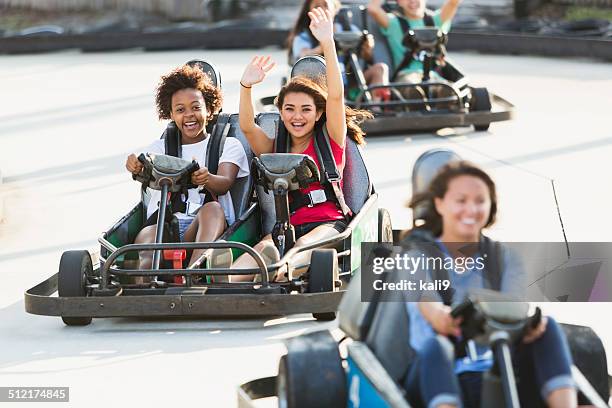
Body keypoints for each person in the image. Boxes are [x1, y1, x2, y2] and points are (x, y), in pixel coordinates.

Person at [400, 161, 577, 408]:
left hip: (498, 370)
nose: (471, 209)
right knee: (436, 346)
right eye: (461, 201)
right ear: (440, 203)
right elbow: (425, 301)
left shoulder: (506, 258)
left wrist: (528, 326)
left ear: (491, 206)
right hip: (440, 374)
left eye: (480, 201)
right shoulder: (416, 257)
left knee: (550, 329)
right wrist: (441, 316)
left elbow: (515, 307)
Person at [234, 6, 372, 281]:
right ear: (280, 112)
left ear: (318, 113)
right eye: (289, 109)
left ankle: (283, 271)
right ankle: (257, 273)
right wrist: (246, 86)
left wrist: (328, 44)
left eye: (306, 110)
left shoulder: (331, 139)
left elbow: (335, 96)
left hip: (327, 222)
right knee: (242, 267)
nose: (297, 117)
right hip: (287, 227)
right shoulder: (276, 149)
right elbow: (248, 126)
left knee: (300, 250)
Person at [125, 64, 250, 272]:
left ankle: (194, 273)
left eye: (196, 107)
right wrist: (135, 166)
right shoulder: (161, 147)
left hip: (204, 226)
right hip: (165, 226)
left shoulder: (228, 145)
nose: (189, 115)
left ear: (209, 109)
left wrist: (207, 178)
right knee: (147, 242)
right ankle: (145, 284)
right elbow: (143, 163)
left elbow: (224, 184)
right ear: (171, 114)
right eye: (180, 110)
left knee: (212, 209)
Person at [289, 0, 390, 104]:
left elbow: (366, 57)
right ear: (309, 10)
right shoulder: (304, 35)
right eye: (317, 6)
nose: (322, 10)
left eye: (325, 5)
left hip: (351, 78)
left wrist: (366, 47)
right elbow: (303, 56)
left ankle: (377, 106)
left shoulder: (349, 29)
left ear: (335, 9)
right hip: (323, 83)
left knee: (380, 69)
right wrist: (325, 43)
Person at [367, 0, 460, 84]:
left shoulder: (435, 21)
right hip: (406, 75)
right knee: (411, 86)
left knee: (445, 90)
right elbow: (373, 9)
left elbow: (453, 3)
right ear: (399, 2)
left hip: (434, 76)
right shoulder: (393, 23)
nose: (412, 1)